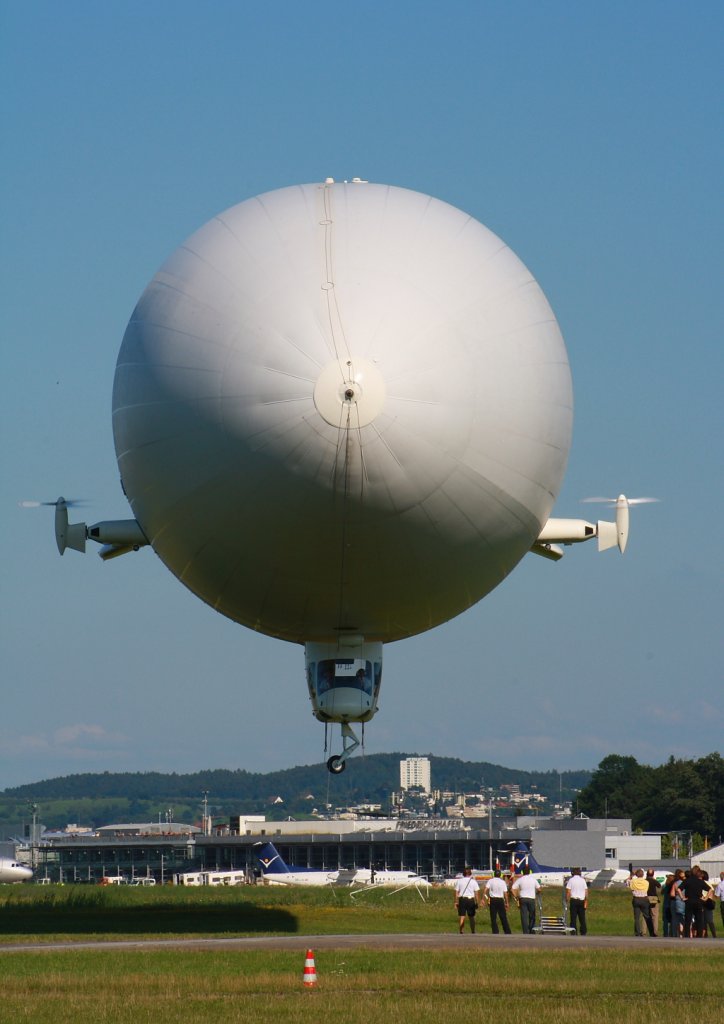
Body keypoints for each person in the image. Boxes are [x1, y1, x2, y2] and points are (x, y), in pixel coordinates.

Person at [679, 868, 708, 938]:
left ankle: (687, 935)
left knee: (688, 920)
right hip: (698, 901)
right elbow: (709, 889)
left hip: (689, 901)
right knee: (699, 919)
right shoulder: (700, 881)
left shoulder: (687, 881)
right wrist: (705, 898)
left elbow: (679, 889)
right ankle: (699, 935)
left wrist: (682, 897)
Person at [511, 867, 541, 933]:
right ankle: (532, 930)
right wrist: (536, 893)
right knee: (532, 915)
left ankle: (525, 931)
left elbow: (512, 889)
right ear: (530, 872)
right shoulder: (533, 879)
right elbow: (539, 889)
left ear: (522, 872)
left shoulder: (520, 879)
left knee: (524, 916)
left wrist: (516, 897)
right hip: (531, 899)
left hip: (523, 899)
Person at [453, 867, 480, 934]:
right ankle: (473, 931)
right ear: (470, 873)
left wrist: (456, 901)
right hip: (470, 900)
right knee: (471, 917)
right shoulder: (473, 881)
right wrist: (477, 902)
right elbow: (476, 893)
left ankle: (461, 930)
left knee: (462, 916)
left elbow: (456, 892)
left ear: (463, 874)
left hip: (462, 899)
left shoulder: (459, 881)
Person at [628, 868, 653, 936]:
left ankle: (637, 932)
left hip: (636, 899)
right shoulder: (646, 882)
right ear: (643, 875)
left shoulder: (633, 881)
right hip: (644, 899)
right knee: (647, 916)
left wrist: (631, 875)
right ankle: (651, 932)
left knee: (636, 917)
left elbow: (627, 882)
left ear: (636, 875)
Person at [565, 868, 588, 935]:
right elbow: (586, 892)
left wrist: (567, 900)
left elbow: (568, 892)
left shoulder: (571, 880)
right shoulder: (583, 880)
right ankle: (583, 932)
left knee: (573, 918)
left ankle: (573, 932)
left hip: (574, 900)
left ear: (573, 873)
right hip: (582, 900)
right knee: (582, 918)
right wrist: (586, 901)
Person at [700, 870, 716, 938]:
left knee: (705, 920)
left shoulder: (705, 883)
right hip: (708, 902)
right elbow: (712, 893)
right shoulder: (708, 883)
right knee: (708, 920)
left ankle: (705, 935)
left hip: (704, 902)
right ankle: (713, 935)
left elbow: (711, 891)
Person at [646, 869, 662, 936]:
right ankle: (655, 932)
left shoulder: (645, 881)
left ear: (647, 874)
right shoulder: (653, 881)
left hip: (646, 897)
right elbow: (659, 886)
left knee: (645, 915)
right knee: (654, 916)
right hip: (653, 898)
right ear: (653, 874)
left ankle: (643, 932)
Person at [670, 870, 686, 937]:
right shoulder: (686, 883)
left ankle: (675, 934)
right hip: (685, 901)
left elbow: (672, 894)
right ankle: (684, 933)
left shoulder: (675, 883)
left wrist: (677, 894)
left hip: (678, 901)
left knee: (676, 919)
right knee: (684, 918)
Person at [662, 873, 675, 937]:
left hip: (666, 903)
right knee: (672, 919)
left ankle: (665, 933)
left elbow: (662, 892)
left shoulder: (665, 886)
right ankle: (672, 932)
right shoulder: (673, 885)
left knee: (665, 920)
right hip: (671, 903)